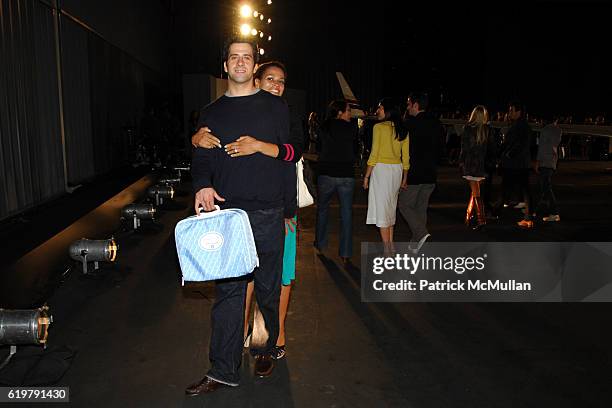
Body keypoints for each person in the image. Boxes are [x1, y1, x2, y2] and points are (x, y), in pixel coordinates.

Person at [186, 38, 292, 395]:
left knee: (266, 288)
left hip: (267, 211)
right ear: (226, 65)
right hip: (228, 214)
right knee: (228, 294)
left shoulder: (275, 108)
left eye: (247, 57)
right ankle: (221, 370)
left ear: (254, 65)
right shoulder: (212, 113)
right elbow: (202, 158)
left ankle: (264, 349)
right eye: (235, 57)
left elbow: (292, 156)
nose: (241, 62)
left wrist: (289, 210)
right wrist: (201, 184)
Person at [314, 100, 358, 266]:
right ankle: (346, 252)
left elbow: (318, 148)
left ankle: (321, 243)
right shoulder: (352, 128)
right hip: (346, 174)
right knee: (346, 213)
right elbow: (355, 151)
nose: (350, 114)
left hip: (326, 173)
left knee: (323, 210)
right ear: (339, 112)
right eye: (348, 110)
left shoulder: (324, 127)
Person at [363, 98, 409, 254]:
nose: (378, 111)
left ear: (388, 111)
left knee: (383, 210)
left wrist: (366, 176)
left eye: (380, 108)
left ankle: (387, 250)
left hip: (382, 170)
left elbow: (374, 154)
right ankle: (391, 246)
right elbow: (406, 158)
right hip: (396, 170)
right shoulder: (402, 129)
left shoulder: (379, 127)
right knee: (390, 208)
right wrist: (404, 177)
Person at [398, 92, 442, 251]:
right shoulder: (436, 123)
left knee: (403, 204)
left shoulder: (411, 124)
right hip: (431, 173)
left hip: (415, 173)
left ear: (416, 105)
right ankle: (416, 244)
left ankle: (422, 234)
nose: (407, 107)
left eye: (408, 104)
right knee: (420, 208)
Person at [496, 101, 534, 228]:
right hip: (518, 164)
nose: (509, 113)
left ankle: (528, 217)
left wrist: (508, 154)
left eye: (512, 110)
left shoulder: (521, 126)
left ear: (519, 112)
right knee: (514, 189)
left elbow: (520, 145)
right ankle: (497, 211)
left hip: (517, 164)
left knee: (519, 189)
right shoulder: (519, 125)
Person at [458, 105, 496, 229]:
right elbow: (491, 148)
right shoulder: (487, 130)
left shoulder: (468, 129)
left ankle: (480, 219)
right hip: (481, 165)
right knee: (475, 192)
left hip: (470, 164)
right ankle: (469, 216)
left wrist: (461, 161)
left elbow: (464, 148)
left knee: (476, 192)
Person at [535, 116, 562, 222]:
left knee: (546, 187)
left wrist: (537, 162)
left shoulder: (545, 130)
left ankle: (554, 213)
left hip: (545, 161)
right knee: (545, 187)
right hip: (552, 160)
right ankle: (535, 209)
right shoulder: (559, 130)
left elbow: (541, 147)